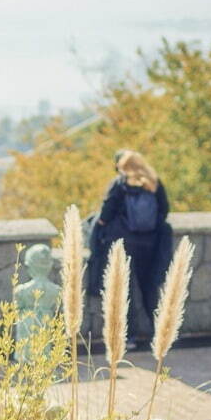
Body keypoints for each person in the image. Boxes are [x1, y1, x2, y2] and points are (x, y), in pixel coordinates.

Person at [87, 149, 173, 348]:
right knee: (149, 287)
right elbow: (165, 209)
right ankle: (160, 333)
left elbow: (107, 210)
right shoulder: (153, 182)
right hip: (151, 243)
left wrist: (99, 224)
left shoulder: (121, 183)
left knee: (124, 288)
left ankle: (129, 337)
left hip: (125, 241)